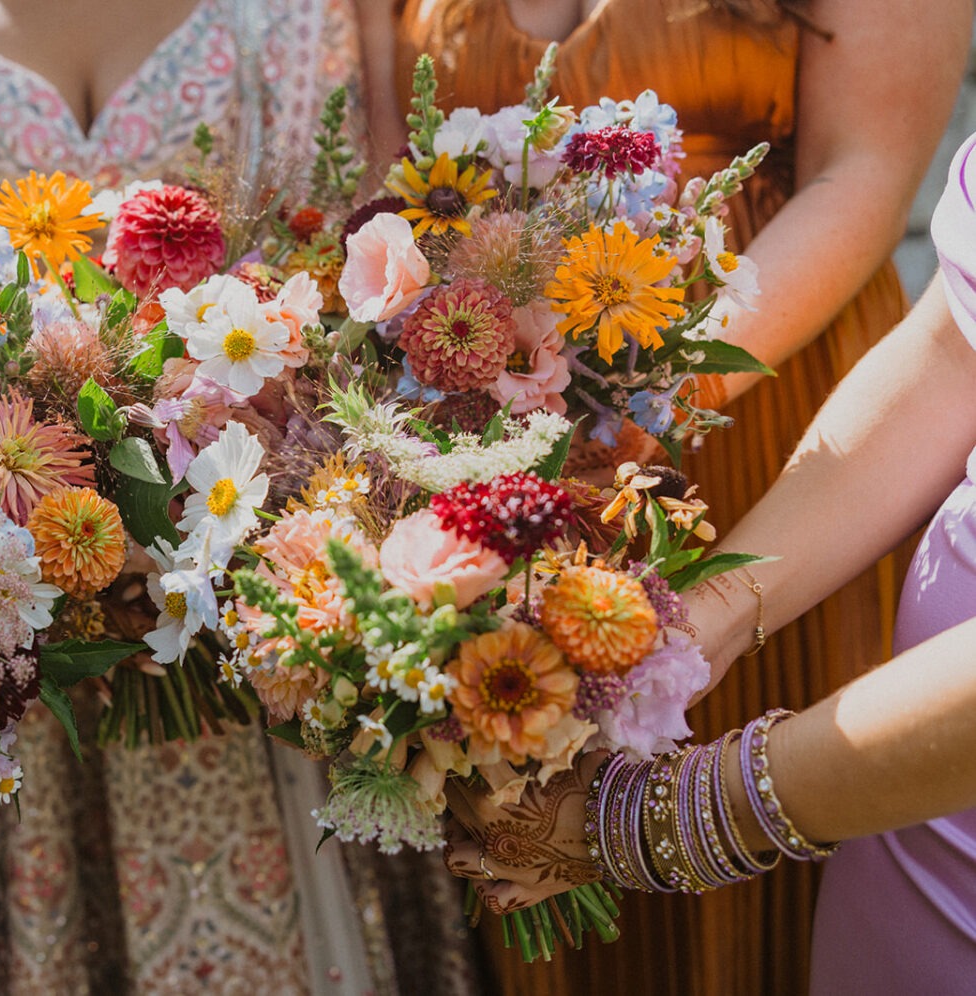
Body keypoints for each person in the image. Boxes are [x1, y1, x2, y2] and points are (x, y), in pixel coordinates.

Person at [0, 1, 484, 992]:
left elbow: (327, 279)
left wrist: (207, 497)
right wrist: (47, 508)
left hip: (240, 586)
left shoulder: (286, 12)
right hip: (15, 603)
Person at [350, 0, 971, 992]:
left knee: (772, 884)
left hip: (763, 411)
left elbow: (861, 169)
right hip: (508, 434)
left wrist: (633, 391)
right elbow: (383, 193)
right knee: (539, 814)